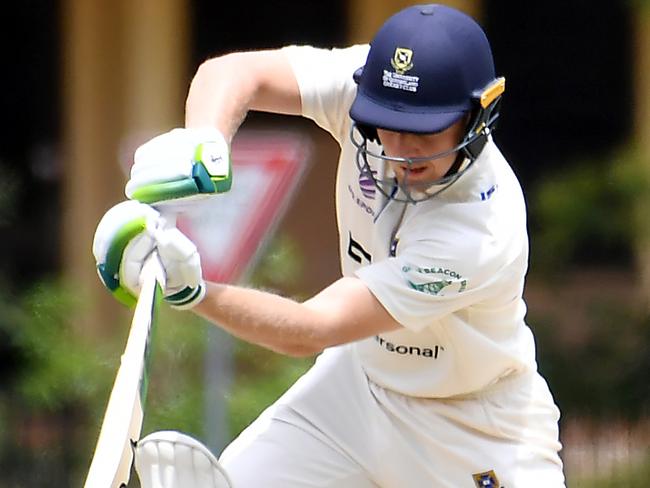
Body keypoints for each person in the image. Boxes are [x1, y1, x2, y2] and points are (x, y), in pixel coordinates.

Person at [93, 4, 566, 487]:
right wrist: (202, 142)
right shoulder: (368, 86)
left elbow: (310, 330)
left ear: (477, 114)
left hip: (473, 424)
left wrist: (194, 292)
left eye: (424, 130)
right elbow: (233, 72)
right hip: (358, 388)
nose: (401, 147)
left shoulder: (480, 228)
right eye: (387, 123)